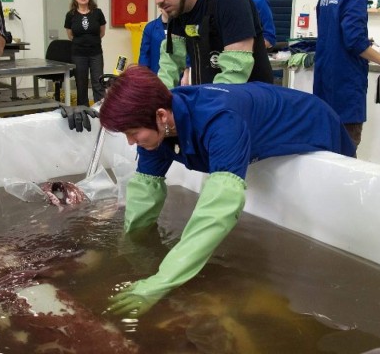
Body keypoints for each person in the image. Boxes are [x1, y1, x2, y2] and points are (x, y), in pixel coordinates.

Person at [101, 66, 355, 317]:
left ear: (161, 116)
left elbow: (219, 209)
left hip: (312, 122)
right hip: (257, 117)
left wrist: (162, 281)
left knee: (344, 214)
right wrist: (130, 247)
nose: (131, 142)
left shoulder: (221, 121)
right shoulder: (157, 128)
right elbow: (145, 192)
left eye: (133, 133)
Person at [137, 0, 273, 88]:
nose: (158, 0)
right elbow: (169, 66)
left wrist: (204, 105)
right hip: (212, 99)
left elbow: (234, 73)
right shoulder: (178, 9)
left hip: (250, 102)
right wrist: (157, 100)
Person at [313, 0, 380, 148]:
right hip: (346, 88)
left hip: (324, 84)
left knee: (325, 148)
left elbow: (334, 34)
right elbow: (355, 42)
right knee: (347, 151)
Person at [64, 0, 106, 106]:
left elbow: (101, 32)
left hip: (96, 53)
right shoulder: (70, 15)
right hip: (78, 54)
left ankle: (100, 111)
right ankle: (83, 112)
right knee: (81, 84)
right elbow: (70, 35)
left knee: (98, 83)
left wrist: (91, 40)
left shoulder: (97, 13)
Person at [138, 7, 169, 74]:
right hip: (156, 72)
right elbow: (144, 53)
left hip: (176, 73)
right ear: (160, 8)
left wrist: (186, 74)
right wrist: (143, 73)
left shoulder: (180, 26)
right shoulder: (150, 27)